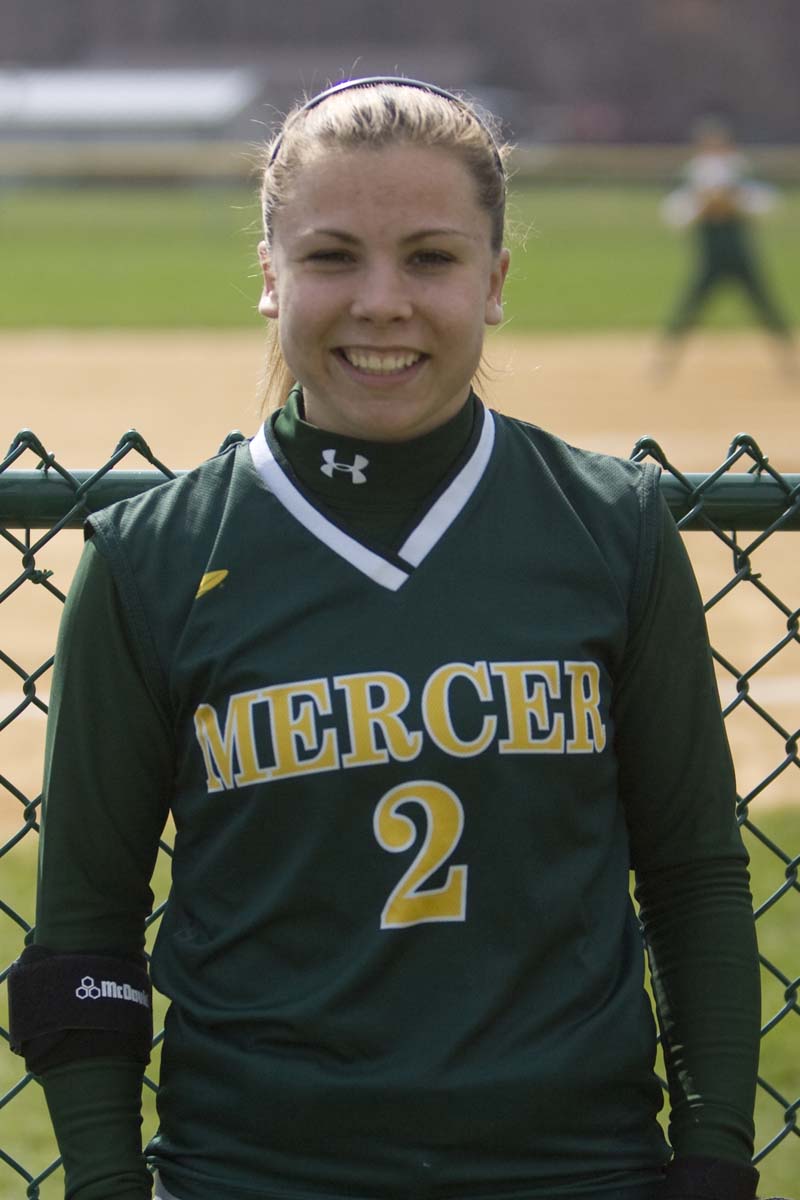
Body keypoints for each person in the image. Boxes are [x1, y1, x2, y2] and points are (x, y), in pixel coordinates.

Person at [9, 78, 766, 1200]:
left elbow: (693, 879)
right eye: (330, 258)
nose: (381, 303)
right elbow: (82, 944)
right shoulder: (153, 559)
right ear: (270, 276)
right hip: (253, 1176)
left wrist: (712, 1159)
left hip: (576, 1171)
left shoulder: (611, 529)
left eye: (429, 259)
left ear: (493, 281)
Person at [655, 116, 795, 377]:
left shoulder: (740, 170)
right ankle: (666, 359)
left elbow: (768, 203)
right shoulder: (692, 173)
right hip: (710, 257)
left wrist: (734, 202)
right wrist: (704, 205)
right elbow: (674, 214)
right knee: (690, 306)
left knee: (766, 305)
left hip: (741, 255)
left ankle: (789, 357)